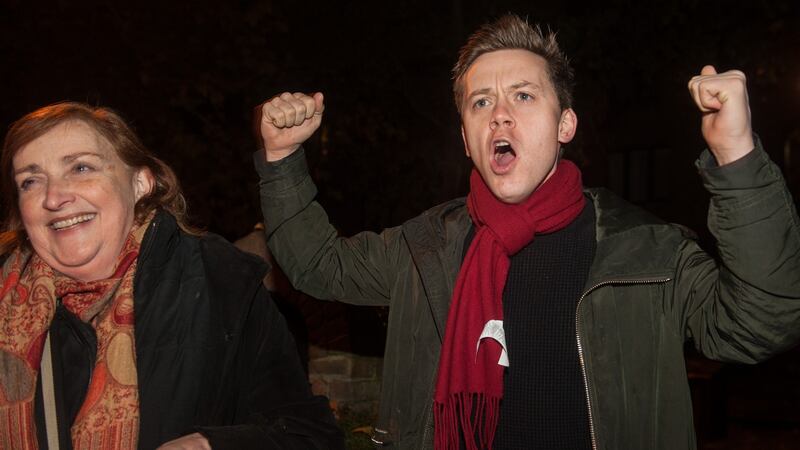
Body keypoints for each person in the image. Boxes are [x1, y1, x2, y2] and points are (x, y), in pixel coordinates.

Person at [253, 14, 800, 450]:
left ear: (566, 125)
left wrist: (737, 158)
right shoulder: (425, 248)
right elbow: (317, 264)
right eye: (481, 101)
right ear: (467, 140)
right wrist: (280, 159)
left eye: (523, 95)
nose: (499, 115)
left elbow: (762, 322)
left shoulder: (648, 250)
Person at [0, 102, 344, 450]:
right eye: (30, 180)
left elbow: (309, 434)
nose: (54, 197)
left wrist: (213, 445)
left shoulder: (219, 282)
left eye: (81, 167)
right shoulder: (5, 300)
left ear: (140, 183)